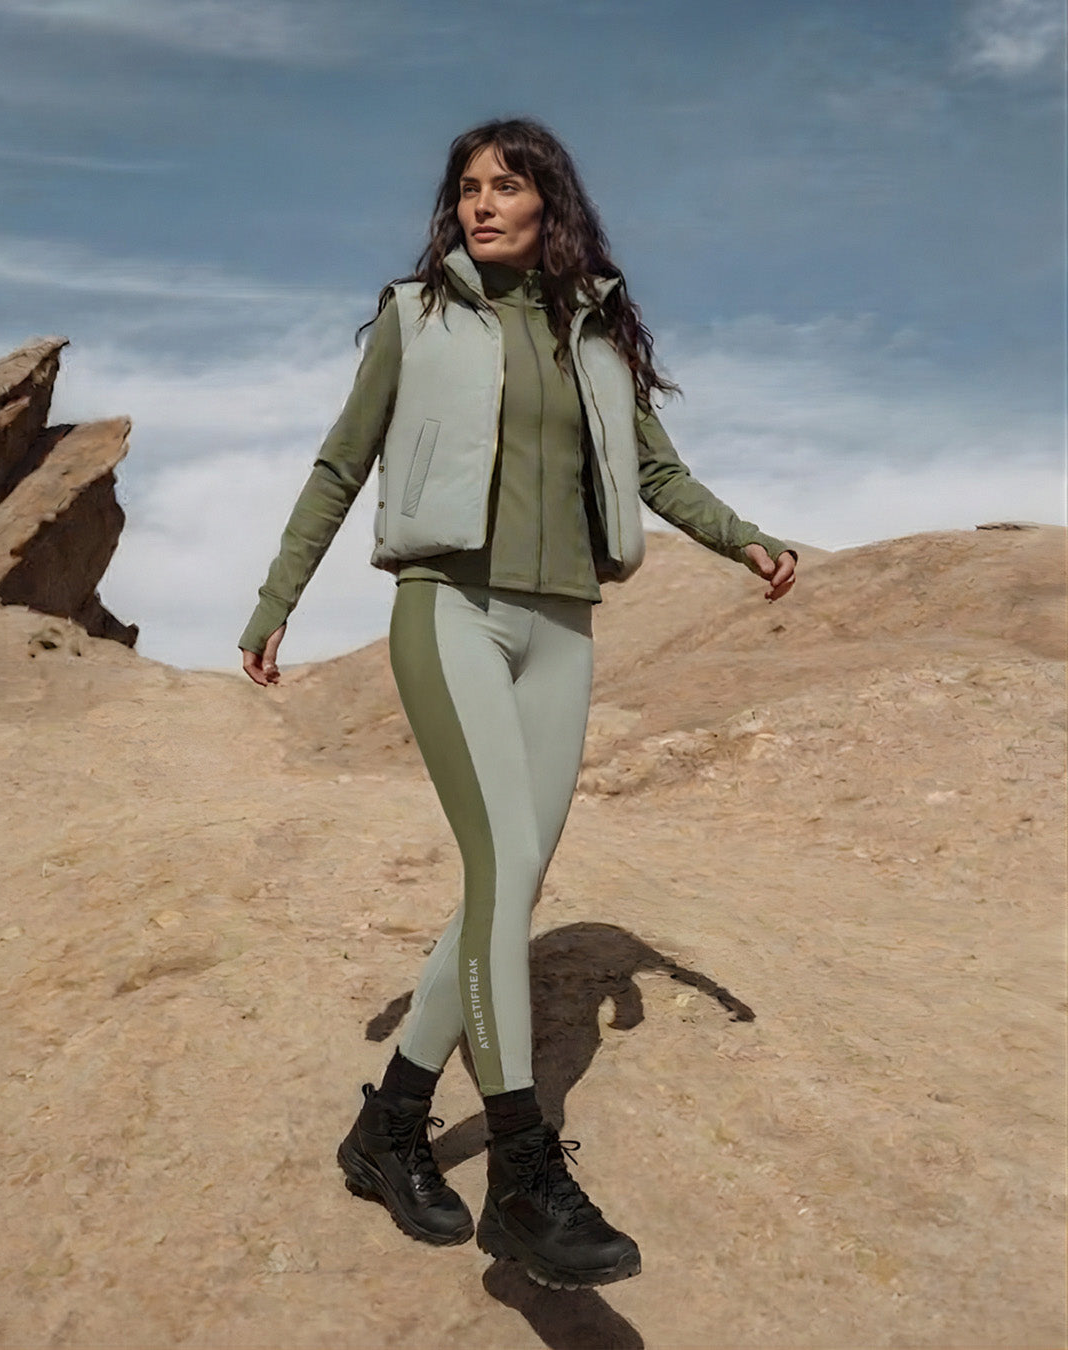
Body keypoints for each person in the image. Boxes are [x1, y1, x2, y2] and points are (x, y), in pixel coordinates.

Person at [239, 117, 796, 1292]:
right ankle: (525, 1175)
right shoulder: (417, 317)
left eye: (508, 184)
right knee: (499, 869)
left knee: (516, 879)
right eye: (468, 188)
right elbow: (342, 464)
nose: (482, 203)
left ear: (552, 203)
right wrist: (276, 598)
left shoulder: (593, 334)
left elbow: (651, 470)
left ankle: (387, 1130)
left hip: (563, 629)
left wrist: (742, 539)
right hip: (450, 610)